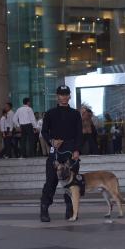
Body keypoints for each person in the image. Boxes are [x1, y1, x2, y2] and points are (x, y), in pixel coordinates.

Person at [40, 85, 83, 222]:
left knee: (72, 182)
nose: (64, 97)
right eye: (61, 94)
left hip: (71, 151)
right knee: (51, 181)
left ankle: (70, 209)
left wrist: (77, 150)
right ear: (57, 96)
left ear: (69, 96)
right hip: (56, 152)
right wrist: (51, 141)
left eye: (66, 94)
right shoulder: (50, 113)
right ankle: (44, 209)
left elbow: (79, 134)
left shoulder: (75, 114)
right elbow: (44, 132)